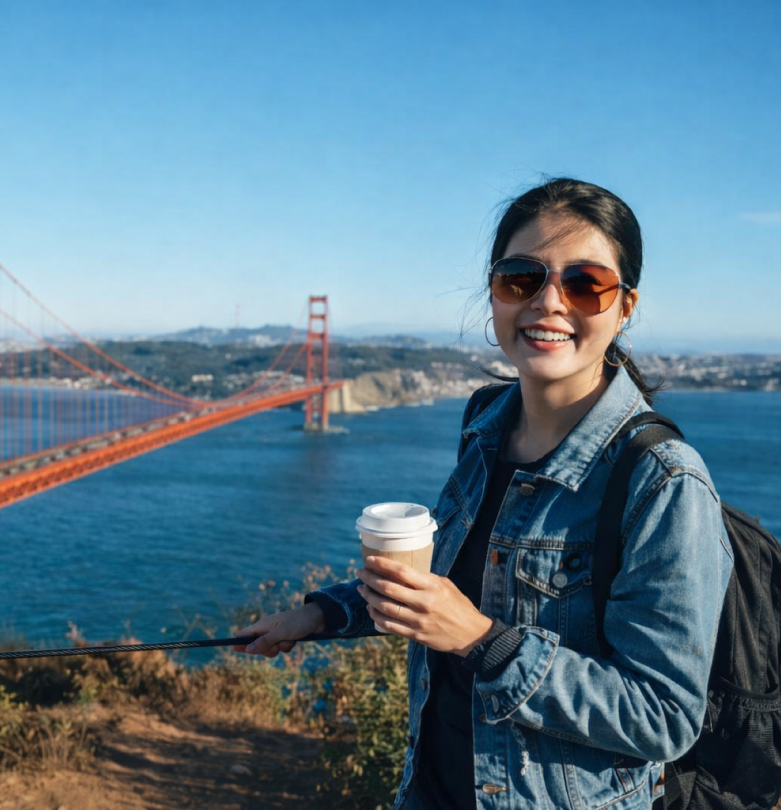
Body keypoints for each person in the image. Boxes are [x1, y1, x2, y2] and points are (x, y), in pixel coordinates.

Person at [235, 178, 733, 810]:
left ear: (625, 305)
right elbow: (438, 592)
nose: (550, 303)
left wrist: (481, 640)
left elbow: (663, 716)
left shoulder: (663, 482)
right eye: (522, 278)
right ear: (494, 291)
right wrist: (321, 615)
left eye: (585, 284)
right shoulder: (484, 426)